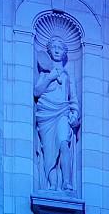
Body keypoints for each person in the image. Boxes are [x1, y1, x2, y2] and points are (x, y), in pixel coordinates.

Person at [34, 38, 80, 193]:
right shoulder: (46, 72)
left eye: (60, 47)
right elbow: (37, 91)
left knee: (63, 143)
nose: (57, 50)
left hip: (62, 113)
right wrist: (50, 77)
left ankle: (67, 182)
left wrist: (75, 113)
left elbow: (72, 98)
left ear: (65, 52)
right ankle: (53, 185)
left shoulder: (68, 76)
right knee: (48, 152)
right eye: (54, 47)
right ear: (49, 51)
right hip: (46, 114)